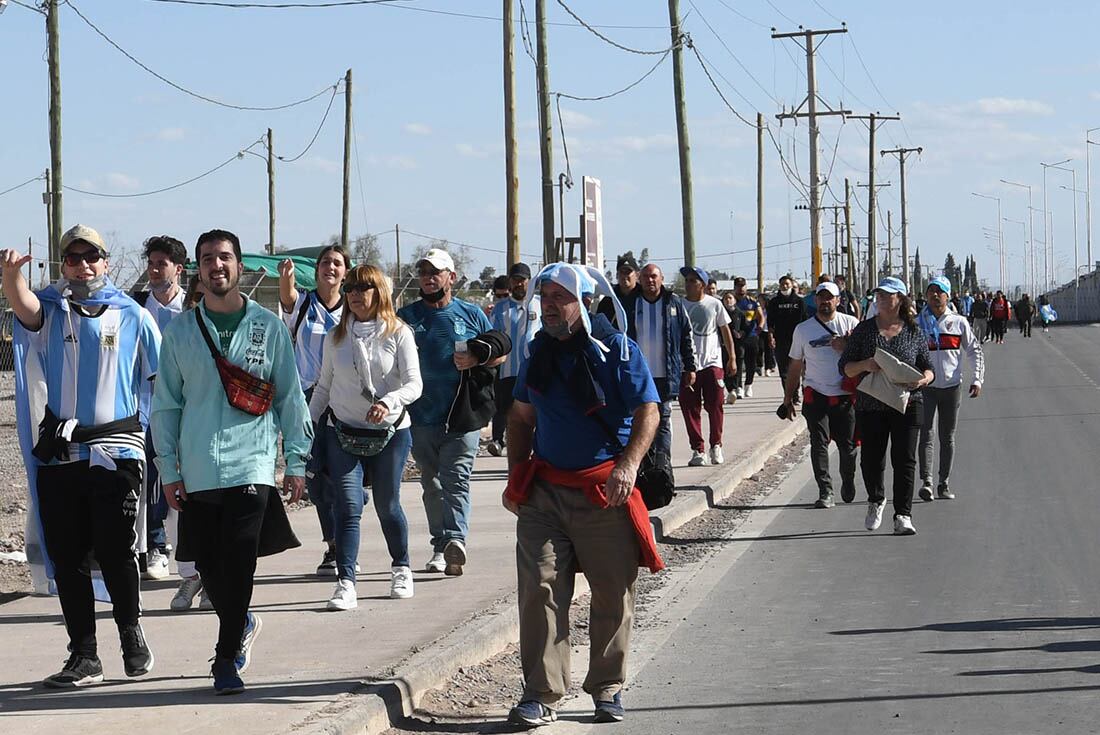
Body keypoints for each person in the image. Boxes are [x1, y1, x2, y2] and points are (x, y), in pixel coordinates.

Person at [502, 263, 662, 728]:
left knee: (613, 592)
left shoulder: (618, 350)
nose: (548, 304)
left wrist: (628, 467)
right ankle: (542, 693)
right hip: (546, 494)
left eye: (560, 296)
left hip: (605, 492)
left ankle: (607, 687)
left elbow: (648, 410)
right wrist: (517, 479)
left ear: (585, 302)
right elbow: (519, 418)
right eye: (544, 296)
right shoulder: (537, 354)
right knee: (540, 588)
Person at [152, 229, 312, 694]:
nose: (216, 266)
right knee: (208, 563)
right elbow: (167, 404)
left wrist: (296, 460)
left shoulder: (268, 326)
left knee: (240, 562)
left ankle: (224, 662)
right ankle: (240, 623)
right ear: (197, 271)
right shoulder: (181, 332)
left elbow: (289, 398)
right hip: (198, 466)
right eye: (207, 259)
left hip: (253, 463)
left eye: (224, 258)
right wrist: (169, 468)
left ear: (240, 266)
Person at [6, 225, 160, 688]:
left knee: (115, 550)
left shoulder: (132, 315)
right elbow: (24, 307)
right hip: (61, 453)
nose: (82, 264)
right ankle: (84, 655)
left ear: (105, 261)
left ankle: (131, 632)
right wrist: (11, 276)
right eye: (72, 257)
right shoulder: (52, 310)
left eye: (90, 256)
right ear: (63, 264)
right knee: (67, 556)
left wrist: (166, 450)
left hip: (116, 451)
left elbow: (162, 381)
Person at [309, 265, 423, 608]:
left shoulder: (398, 333)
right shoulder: (336, 337)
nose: (355, 294)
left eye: (364, 287)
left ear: (379, 292)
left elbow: (414, 384)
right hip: (342, 433)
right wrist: (306, 426)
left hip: (390, 433)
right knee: (346, 505)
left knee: (388, 505)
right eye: (350, 288)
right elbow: (324, 387)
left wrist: (389, 401)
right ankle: (346, 581)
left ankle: (401, 567)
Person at [398, 249, 509, 576]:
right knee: (431, 484)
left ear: (452, 277)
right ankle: (439, 544)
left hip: (462, 415)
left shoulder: (471, 314)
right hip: (420, 416)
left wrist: (478, 358)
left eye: (436, 272)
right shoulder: (407, 316)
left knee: (456, 479)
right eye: (424, 272)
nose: (429, 277)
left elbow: (499, 353)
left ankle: (456, 540)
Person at [840, 276, 934, 536]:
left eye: (888, 294)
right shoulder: (864, 330)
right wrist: (865, 365)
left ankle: (903, 514)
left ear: (900, 299)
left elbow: (928, 366)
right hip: (872, 403)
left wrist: (925, 379)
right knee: (871, 459)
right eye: (879, 294)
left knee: (905, 459)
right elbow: (846, 368)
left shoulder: (914, 331)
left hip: (908, 402)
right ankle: (876, 499)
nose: (881, 298)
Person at [278, 247, 349, 577]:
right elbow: (288, 296)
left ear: (345, 272)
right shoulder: (304, 304)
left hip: (345, 397)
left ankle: (346, 541)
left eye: (337, 263)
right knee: (316, 477)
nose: (330, 268)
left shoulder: (353, 307)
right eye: (325, 263)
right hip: (308, 399)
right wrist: (287, 277)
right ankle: (333, 544)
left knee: (342, 475)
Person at [132, 235, 187, 586]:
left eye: (161, 264)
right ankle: (154, 546)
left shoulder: (193, 308)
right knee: (150, 477)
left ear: (178, 269)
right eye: (150, 263)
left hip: (187, 408)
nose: (153, 269)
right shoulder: (135, 307)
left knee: (186, 476)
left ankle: (191, 550)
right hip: (145, 407)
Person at [782, 282, 859, 508]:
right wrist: (788, 398)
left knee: (848, 447)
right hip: (816, 394)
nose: (825, 301)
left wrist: (845, 345)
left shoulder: (851, 324)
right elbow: (795, 365)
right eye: (821, 297)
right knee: (819, 443)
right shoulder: (803, 330)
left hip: (845, 396)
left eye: (830, 297)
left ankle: (848, 478)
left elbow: (866, 356)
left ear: (838, 300)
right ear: (815, 301)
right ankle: (825, 490)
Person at [916, 277, 984, 502]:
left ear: (948, 296)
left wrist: (977, 379)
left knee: (947, 436)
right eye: (931, 292)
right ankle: (926, 481)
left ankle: (943, 482)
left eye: (940, 292)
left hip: (951, 387)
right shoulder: (918, 324)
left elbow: (974, 350)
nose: (935, 296)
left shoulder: (958, 322)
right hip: (926, 388)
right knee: (926, 434)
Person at [629, 264, 697, 468]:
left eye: (654, 277)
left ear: (662, 278)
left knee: (664, 419)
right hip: (639, 375)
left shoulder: (673, 302)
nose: (650, 280)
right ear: (640, 279)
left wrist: (690, 366)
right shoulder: (632, 303)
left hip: (666, 374)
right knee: (640, 420)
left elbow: (686, 335)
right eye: (646, 277)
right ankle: (645, 466)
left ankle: (663, 466)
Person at [680, 267, 735, 466]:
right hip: (688, 365)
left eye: (693, 280)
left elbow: (725, 330)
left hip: (712, 363)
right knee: (690, 408)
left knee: (716, 405)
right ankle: (698, 450)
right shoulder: (679, 305)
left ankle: (716, 445)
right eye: (686, 280)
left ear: (702, 284)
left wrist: (732, 357)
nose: (688, 284)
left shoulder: (715, 304)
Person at [488, 262, 538, 457]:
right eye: (515, 280)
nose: (518, 284)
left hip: (534, 372)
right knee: (505, 410)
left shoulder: (540, 304)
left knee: (535, 411)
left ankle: (537, 446)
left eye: (522, 280)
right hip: (508, 370)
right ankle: (500, 442)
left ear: (529, 281)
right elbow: (492, 335)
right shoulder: (501, 309)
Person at [767, 274, 807, 388]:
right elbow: (770, 321)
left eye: (787, 284)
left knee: (795, 368)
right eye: (782, 284)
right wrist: (771, 336)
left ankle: (795, 393)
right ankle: (788, 394)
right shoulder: (774, 302)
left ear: (791, 285)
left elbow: (805, 320)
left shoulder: (799, 302)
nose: (785, 286)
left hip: (797, 339)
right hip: (780, 340)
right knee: (784, 370)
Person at [733, 277, 765, 397]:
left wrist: (760, 326)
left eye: (743, 285)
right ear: (735, 287)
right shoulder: (732, 301)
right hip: (737, 336)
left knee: (751, 362)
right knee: (738, 360)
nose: (741, 288)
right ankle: (738, 386)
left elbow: (760, 316)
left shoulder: (752, 301)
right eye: (738, 286)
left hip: (751, 335)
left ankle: (748, 384)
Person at [596, 253, 641, 328]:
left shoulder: (644, 295)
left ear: (637, 275)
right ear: (617, 275)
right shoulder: (609, 298)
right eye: (622, 272)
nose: (624, 276)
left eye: (628, 272)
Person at [720, 291, 747, 404]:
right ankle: (730, 389)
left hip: (738, 345)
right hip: (724, 345)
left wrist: (741, 333)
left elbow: (746, 328)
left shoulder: (740, 313)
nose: (728, 300)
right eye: (726, 298)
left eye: (730, 298)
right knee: (726, 367)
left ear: (735, 300)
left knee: (738, 367)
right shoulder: (721, 313)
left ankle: (738, 387)